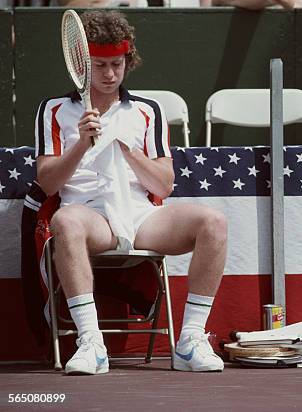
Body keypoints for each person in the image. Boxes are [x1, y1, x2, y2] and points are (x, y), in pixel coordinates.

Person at [34, 10, 227, 375]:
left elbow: (163, 185)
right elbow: (48, 184)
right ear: (83, 65)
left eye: (117, 64)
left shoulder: (147, 111)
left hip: (142, 215)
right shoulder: (54, 111)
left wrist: (129, 150)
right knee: (66, 221)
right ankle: (91, 343)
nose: (109, 74)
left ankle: (190, 341)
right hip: (90, 216)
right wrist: (82, 144)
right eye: (101, 65)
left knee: (213, 222)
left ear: (128, 61)